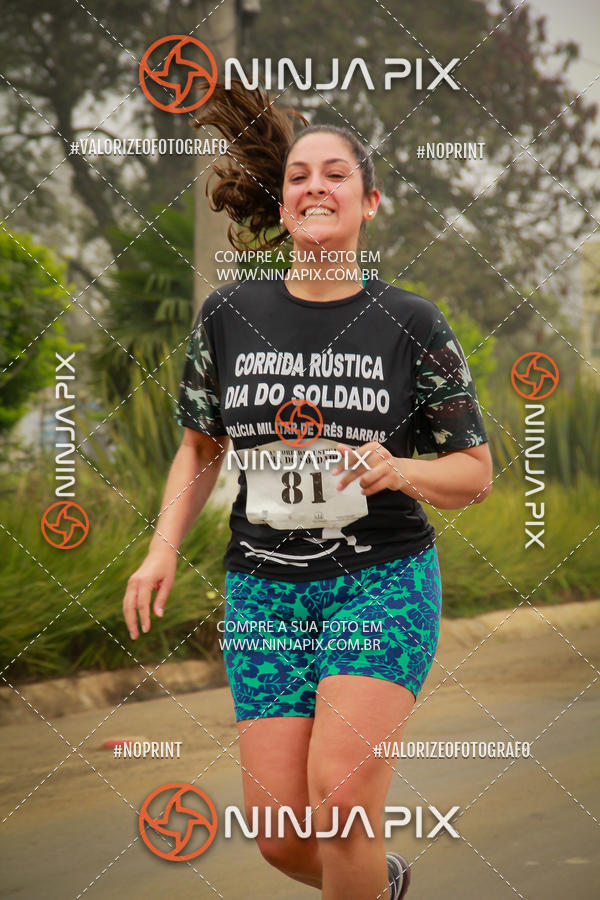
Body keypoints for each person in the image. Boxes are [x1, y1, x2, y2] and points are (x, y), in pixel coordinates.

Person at [123, 80, 493, 900]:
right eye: (298, 176)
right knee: (285, 843)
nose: (314, 186)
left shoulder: (412, 323)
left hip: (382, 581)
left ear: (370, 203)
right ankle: (383, 883)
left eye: (336, 175)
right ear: (284, 204)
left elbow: (475, 473)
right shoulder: (228, 315)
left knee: (343, 797)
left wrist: (399, 468)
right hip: (262, 593)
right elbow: (198, 449)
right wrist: (158, 552)